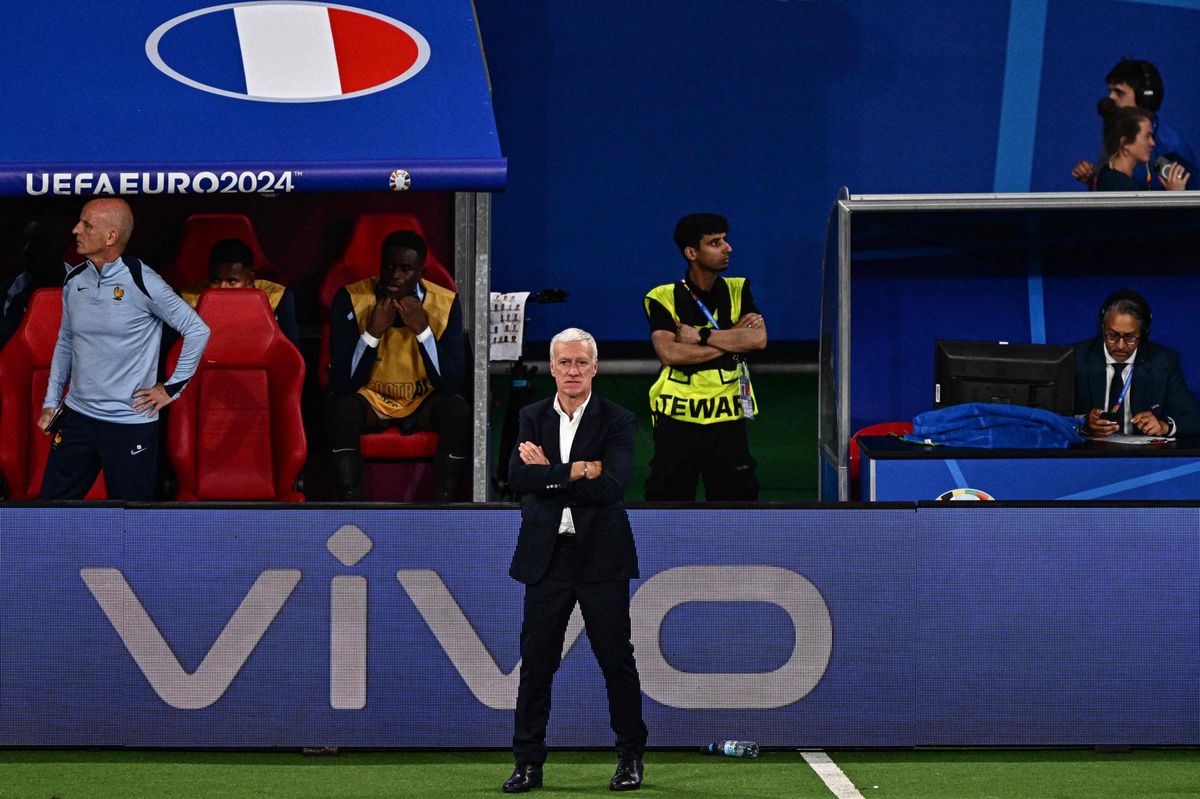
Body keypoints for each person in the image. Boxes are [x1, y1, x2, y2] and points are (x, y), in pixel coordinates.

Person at [503, 327, 647, 793]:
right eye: (564, 362)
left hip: (601, 559)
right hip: (547, 558)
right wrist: (576, 469)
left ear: (595, 367)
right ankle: (528, 763)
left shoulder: (617, 419)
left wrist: (547, 473)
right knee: (536, 663)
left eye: (581, 363)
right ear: (552, 367)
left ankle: (630, 758)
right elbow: (515, 478)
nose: (572, 371)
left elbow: (611, 487)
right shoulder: (529, 415)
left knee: (615, 660)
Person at [38, 198, 210, 500]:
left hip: (129, 425)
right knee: (52, 510)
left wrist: (171, 389)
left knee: (131, 520)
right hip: (78, 418)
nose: (76, 229)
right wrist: (51, 400)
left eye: (86, 225)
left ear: (110, 236)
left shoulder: (145, 282)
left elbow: (197, 330)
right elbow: (66, 341)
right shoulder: (74, 280)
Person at [325, 230, 469, 501]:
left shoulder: (446, 303)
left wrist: (423, 331)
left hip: (422, 400)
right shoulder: (351, 298)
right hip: (370, 399)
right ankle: (349, 506)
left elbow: (451, 384)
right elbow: (343, 383)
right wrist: (372, 333)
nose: (395, 275)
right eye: (389, 267)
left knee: (457, 410)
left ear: (420, 272)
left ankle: (446, 506)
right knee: (340, 409)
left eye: (405, 269)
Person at [642, 213, 766, 501]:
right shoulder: (662, 297)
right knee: (667, 504)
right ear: (691, 253)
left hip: (728, 418)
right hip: (677, 420)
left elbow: (758, 339)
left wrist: (701, 336)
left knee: (736, 506)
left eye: (725, 239)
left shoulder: (738, 289)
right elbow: (669, 352)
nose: (727, 248)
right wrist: (734, 339)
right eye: (715, 242)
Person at [1075, 289, 1200, 438]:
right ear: (1102, 328)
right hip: (1088, 455)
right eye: (1112, 335)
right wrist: (1084, 423)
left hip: (1142, 456)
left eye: (1130, 337)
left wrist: (1163, 426)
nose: (1120, 345)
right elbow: (1049, 416)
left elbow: (1192, 419)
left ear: (1144, 333)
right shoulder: (1077, 357)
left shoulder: (1163, 362)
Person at [1072, 59, 1196, 187]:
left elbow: (1188, 196)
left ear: (1144, 99)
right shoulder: (1120, 135)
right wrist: (1093, 179)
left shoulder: (1166, 151)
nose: (1111, 98)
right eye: (1110, 91)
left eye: (1119, 92)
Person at [179, 238, 301, 350]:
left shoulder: (276, 297)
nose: (222, 288)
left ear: (250, 280)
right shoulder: (187, 300)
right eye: (215, 280)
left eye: (231, 281)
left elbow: (290, 352)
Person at [0, 215, 72, 351]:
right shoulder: (9, 292)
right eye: (25, 242)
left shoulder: (86, 286)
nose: (26, 250)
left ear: (58, 248)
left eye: (37, 244)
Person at [1090, 99, 1189, 191]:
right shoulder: (1121, 186)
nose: (1153, 143)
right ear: (1125, 143)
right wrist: (1175, 196)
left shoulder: (1110, 177)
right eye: (1147, 136)